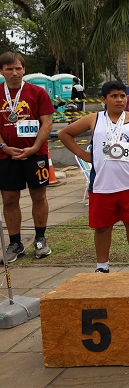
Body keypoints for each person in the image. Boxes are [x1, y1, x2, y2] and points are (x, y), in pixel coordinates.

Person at [58, 80, 129, 273]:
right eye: (114, 96)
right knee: (102, 227)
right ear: (104, 99)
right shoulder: (94, 119)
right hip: (102, 184)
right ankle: (102, 267)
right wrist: (84, 155)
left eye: (122, 96)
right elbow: (64, 134)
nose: (119, 100)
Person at [0, 52, 55, 263]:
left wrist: (34, 148)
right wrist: (4, 147)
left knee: (39, 196)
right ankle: (15, 243)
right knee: (9, 199)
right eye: (9, 69)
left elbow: (47, 123)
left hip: (36, 154)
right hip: (6, 155)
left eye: (18, 68)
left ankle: (40, 239)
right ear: (2, 71)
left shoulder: (37, 92)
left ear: (24, 69)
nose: (14, 73)